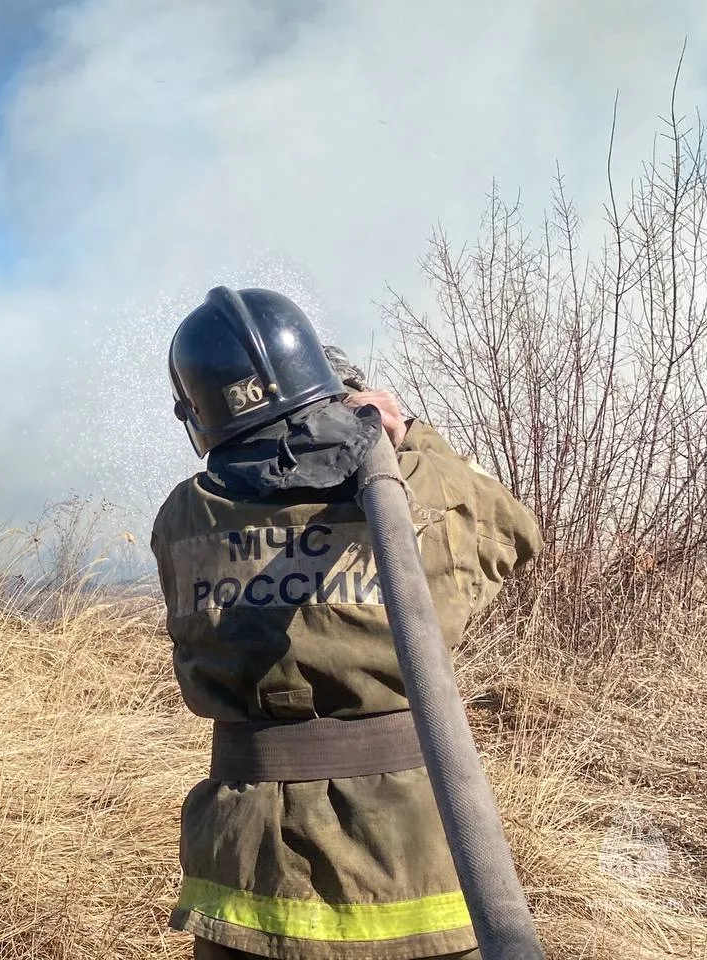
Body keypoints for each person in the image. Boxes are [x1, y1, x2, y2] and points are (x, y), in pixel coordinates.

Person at [150, 286, 543, 960]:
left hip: (249, 874)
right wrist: (405, 433)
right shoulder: (414, 495)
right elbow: (512, 527)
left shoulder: (184, 518)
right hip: (410, 864)